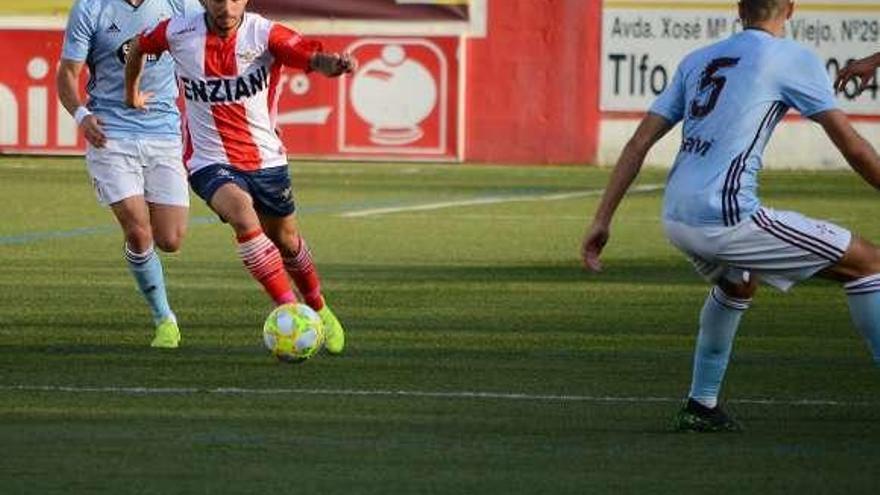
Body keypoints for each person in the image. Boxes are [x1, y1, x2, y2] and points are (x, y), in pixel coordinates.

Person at [582, 0, 880, 432]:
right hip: (725, 216)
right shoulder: (793, 58)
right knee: (869, 264)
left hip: (677, 215)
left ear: (739, 8)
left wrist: (601, 219)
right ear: (791, 9)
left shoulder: (699, 59)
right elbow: (853, 146)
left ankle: (700, 406)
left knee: (739, 282)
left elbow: (637, 143)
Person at [123, 0, 355, 354]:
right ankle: (288, 309)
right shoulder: (178, 31)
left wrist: (332, 65)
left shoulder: (264, 33)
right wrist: (132, 93)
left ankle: (318, 306)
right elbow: (139, 46)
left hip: (266, 160)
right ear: (203, 1)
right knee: (242, 216)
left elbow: (310, 56)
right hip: (207, 160)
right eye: (217, 0)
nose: (226, 8)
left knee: (288, 241)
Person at [57, 0, 203, 349]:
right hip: (111, 135)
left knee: (170, 239)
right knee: (138, 232)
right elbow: (66, 73)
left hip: (164, 134)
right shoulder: (91, 8)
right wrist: (81, 116)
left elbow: (213, 42)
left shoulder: (181, 5)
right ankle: (164, 318)